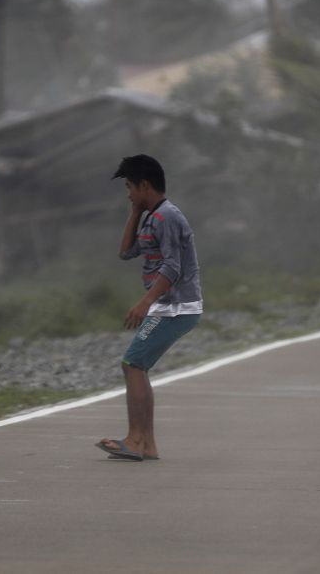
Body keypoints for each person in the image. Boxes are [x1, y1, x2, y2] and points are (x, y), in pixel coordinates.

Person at [97, 154, 203, 461]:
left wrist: (146, 302)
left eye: (130, 188)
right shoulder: (151, 216)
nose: (128, 194)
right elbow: (126, 252)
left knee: (133, 364)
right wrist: (134, 211)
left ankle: (137, 440)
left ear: (145, 184)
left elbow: (173, 265)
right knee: (136, 365)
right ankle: (145, 444)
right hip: (167, 306)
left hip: (176, 306)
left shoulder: (167, 216)